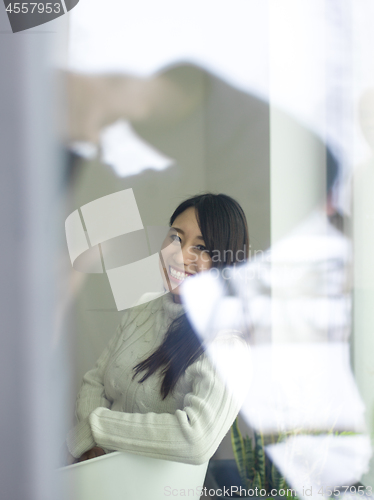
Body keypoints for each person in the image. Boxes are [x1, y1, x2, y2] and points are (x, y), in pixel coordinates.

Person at [66, 193, 251, 465]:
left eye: (201, 248)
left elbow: (196, 440)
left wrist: (96, 429)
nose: (179, 254)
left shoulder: (228, 344)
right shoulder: (143, 307)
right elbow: (95, 381)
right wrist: (92, 449)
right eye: (175, 237)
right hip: (100, 479)